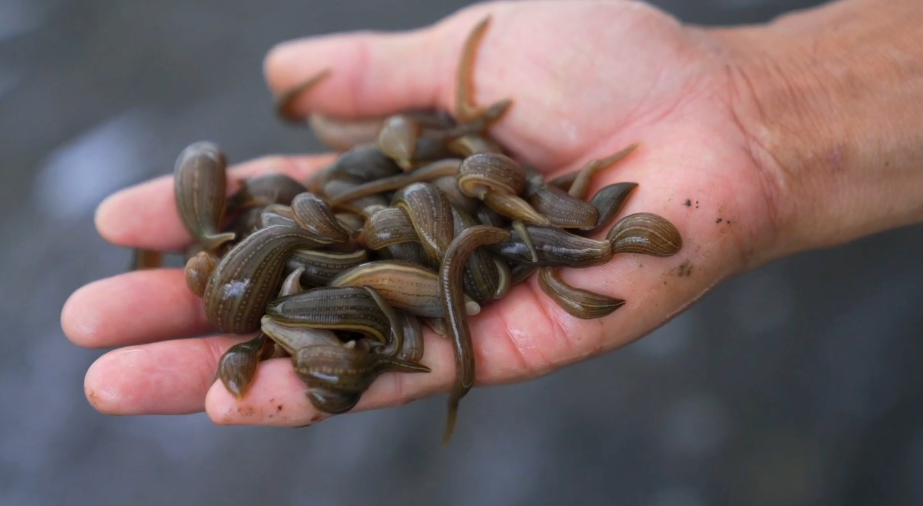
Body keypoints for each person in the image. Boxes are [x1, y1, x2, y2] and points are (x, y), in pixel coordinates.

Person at [61, 0, 923, 427]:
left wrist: (745, 116)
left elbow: (425, 212)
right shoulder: (337, 253)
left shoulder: (461, 219)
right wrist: (754, 116)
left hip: (446, 234)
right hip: (417, 245)